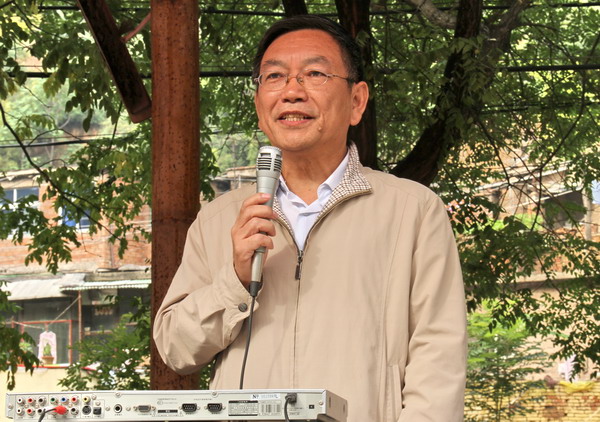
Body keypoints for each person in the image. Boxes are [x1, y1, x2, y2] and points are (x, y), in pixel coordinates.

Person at [153, 15, 467, 422]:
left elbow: (438, 362)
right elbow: (176, 350)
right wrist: (234, 279)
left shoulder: (413, 210)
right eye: (274, 77)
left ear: (356, 101)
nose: (291, 92)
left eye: (314, 74)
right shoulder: (219, 220)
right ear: (259, 105)